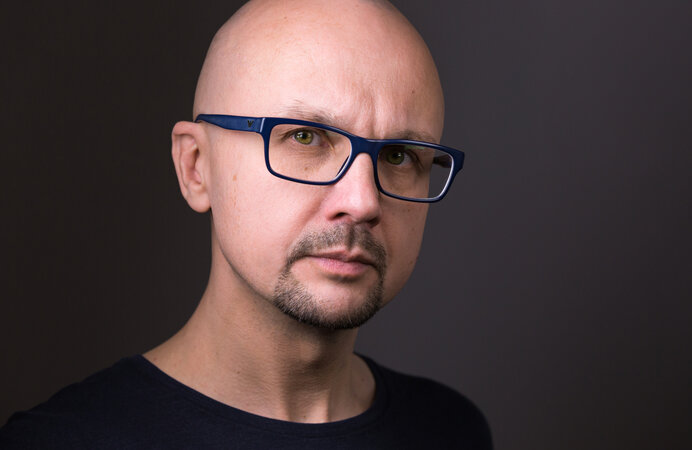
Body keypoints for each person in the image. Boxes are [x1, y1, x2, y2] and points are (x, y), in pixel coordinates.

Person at [0, 0, 492, 448]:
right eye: (306, 137)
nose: (362, 202)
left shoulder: (452, 430)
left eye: (399, 155)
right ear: (196, 167)